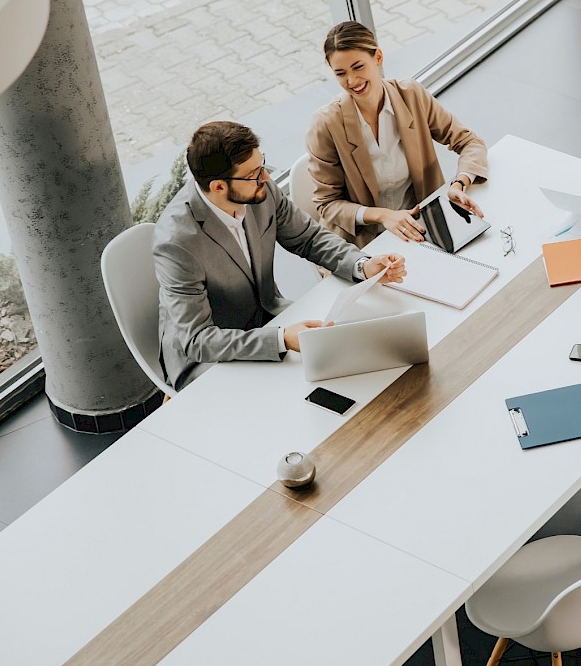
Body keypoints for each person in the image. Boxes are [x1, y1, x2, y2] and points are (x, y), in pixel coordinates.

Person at [153, 120, 405, 390]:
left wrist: (363, 266)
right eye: (253, 174)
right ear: (218, 187)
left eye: (262, 165)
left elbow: (309, 238)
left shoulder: (259, 190)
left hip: (268, 318)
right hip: (208, 359)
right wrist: (281, 339)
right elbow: (198, 341)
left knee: (358, 364)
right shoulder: (177, 242)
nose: (266, 178)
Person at [304, 21, 489, 248]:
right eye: (341, 74)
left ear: (378, 58)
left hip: (422, 228)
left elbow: (469, 141)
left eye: (358, 67)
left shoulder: (411, 95)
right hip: (362, 242)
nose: (352, 81)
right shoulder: (325, 124)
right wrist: (382, 215)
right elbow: (327, 204)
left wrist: (459, 183)